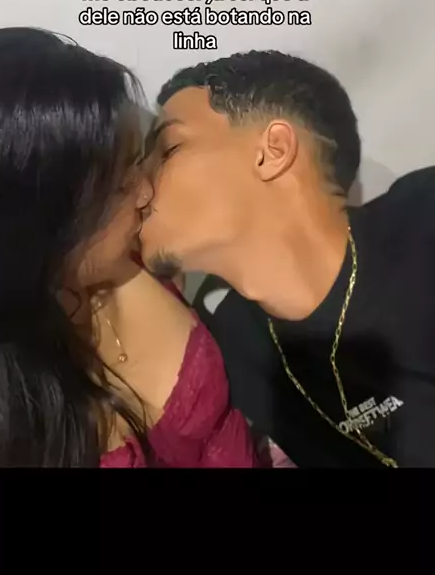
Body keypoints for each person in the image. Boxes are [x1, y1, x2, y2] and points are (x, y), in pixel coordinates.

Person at [0, 27, 259, 469]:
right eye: (117, 187)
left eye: (137, 163)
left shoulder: (138, 254)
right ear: (34, 225)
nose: (145, 194)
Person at [140, 49, 435, 469]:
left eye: (168, 148)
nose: (139, 185)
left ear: (273, 150)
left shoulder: (423, 220)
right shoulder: (233, 348)